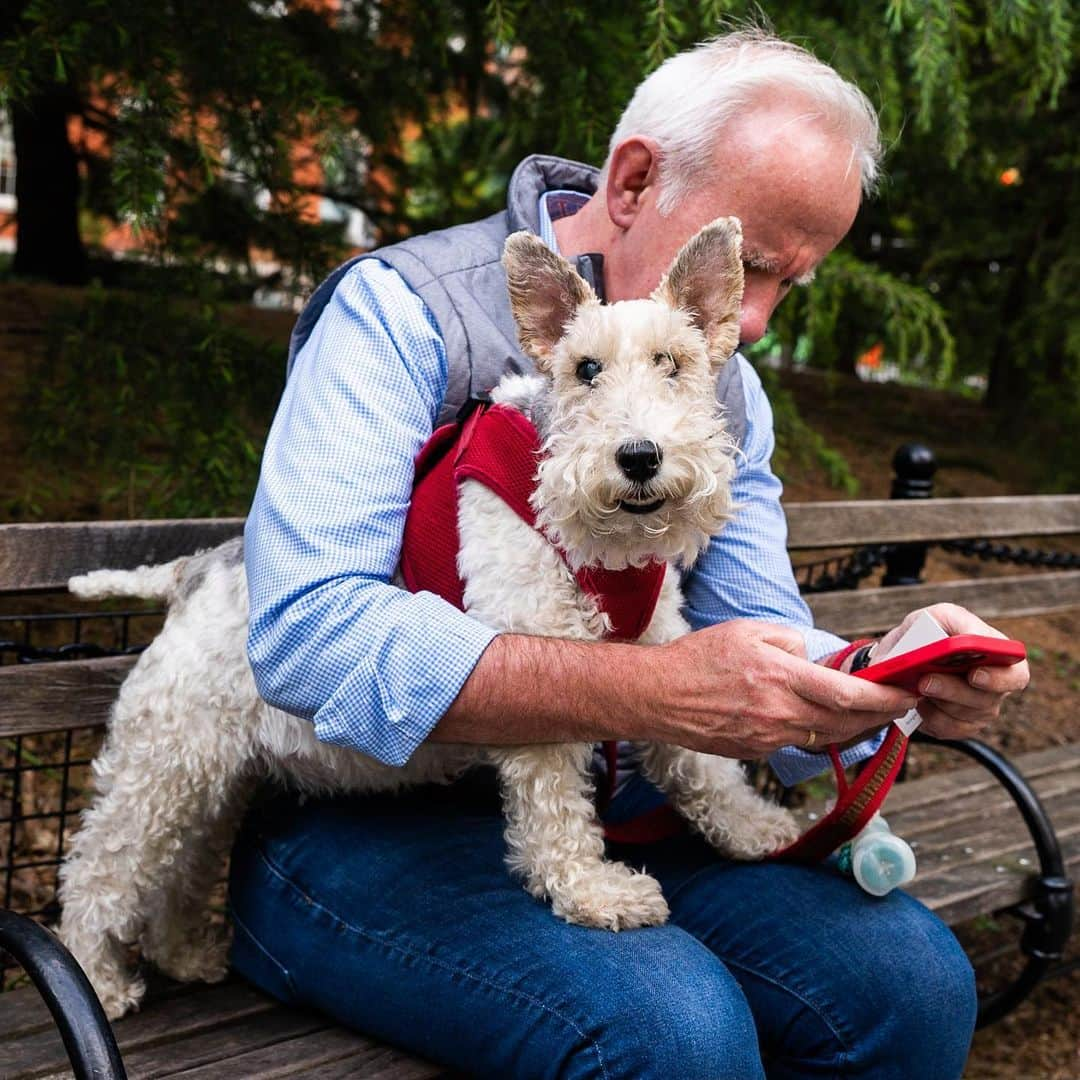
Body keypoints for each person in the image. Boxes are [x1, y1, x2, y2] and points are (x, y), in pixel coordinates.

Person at [230, 30, 1029, 1079]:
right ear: (638, 177)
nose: (750, 317)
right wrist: (650, 691)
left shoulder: (726, 385)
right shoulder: (404, 310)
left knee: (911, 987)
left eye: (788, 283)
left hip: (618, 798)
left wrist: (891, 675)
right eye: (746, 264)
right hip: (367, 812)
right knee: (673, 1030)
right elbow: (308, 638)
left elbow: (763, 642)